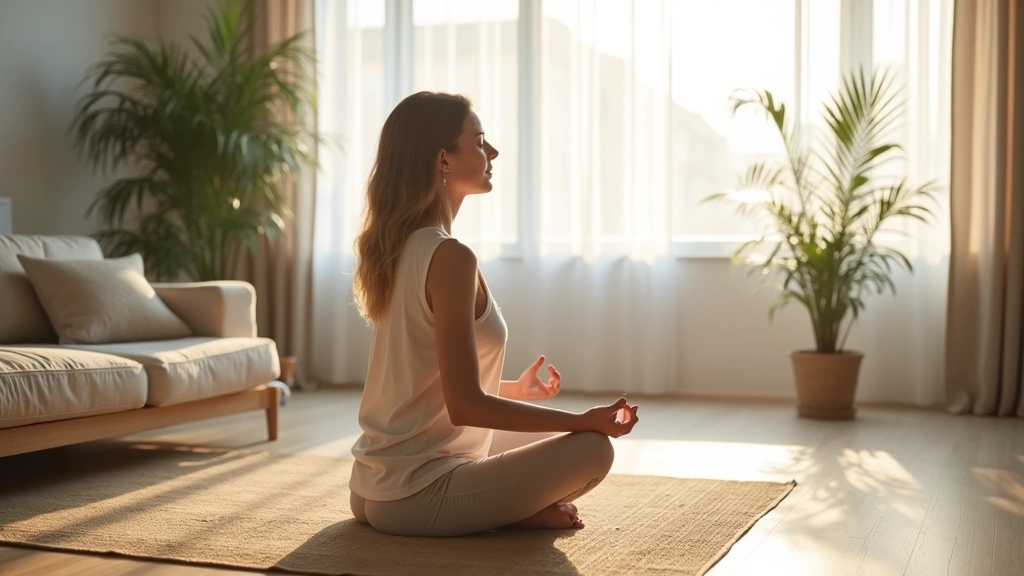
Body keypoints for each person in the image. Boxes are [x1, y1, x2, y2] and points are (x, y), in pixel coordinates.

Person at [348, 91, 640, 538]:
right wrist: (580, 421)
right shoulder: (449, 256)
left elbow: (422, 381)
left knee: (553, 438)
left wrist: (512, 389)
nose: (493, 152)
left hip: (373, 485)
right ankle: (509, 511)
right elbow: (465, 405)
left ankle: (503, 506)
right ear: (443, 160)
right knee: (592, 449)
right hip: (416, 495)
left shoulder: (398, 246)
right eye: (480, 141)